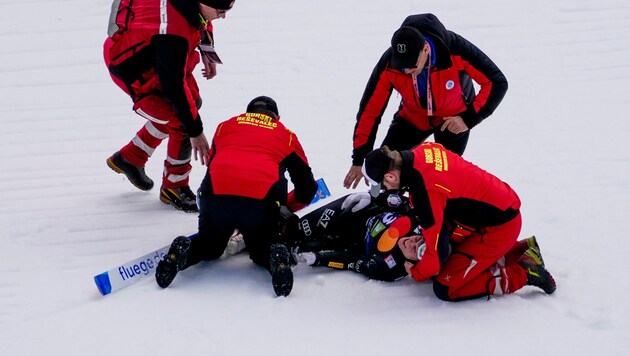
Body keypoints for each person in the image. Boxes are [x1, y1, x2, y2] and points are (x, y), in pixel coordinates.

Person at [155, 96, 318, 297]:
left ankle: (184, 251)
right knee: (260, 251)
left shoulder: (226, 126)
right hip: (259, 204)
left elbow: (214, 167)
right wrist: (286, 207)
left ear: (247, 113)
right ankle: (275, 257)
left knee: (210, 246)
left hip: (216, 197)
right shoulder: (287, 135)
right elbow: (308, 188)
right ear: (277, 118)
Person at [360, 143, 556, 301]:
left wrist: (417, 272)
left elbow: (433, 257)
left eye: (384, 185)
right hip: (498, 206)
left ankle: (525, 273)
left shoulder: (425, 192)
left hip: (499, 226)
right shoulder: (423, 150)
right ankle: (522, 250)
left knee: (446, 285)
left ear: (390, 176)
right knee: (449, 251)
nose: (386, 189)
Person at [344, 13, 508, 189]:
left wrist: (468, 119)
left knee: (441, 179)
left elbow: (496, 82)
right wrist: (360, 157)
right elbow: (370, 111)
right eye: (402, 66)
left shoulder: (455, 49)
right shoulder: (390, 63)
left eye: (412, 65)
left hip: (452, 119)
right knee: (385, 169)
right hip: (413, 116)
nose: (407, 71)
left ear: (426, 50)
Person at [104, 0, 236, 212]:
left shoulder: (192, 8)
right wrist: (196, 132)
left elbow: (201, 22)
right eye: (220, 11)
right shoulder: (173, 34)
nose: (223, 17)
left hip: (154, 55)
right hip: (134, 69)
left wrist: (206, 50)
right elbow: (173, 87)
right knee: (182, 122)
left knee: (191, 106)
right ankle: (175, 186)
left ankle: (130, 157)